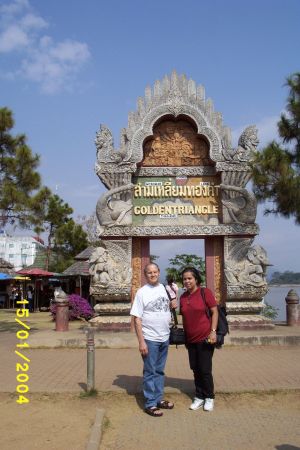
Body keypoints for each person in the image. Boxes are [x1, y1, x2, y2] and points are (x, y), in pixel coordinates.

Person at [130, 262, 177, 417]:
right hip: (149, 338)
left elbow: (170, 307)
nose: (152, 274)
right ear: (145, 275)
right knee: (150, 371)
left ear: (159, 272)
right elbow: (137, 318)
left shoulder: (165, 289)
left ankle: (158, 399)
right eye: (149, 272)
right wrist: (141, 341)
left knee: (159, 371)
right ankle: (150, 403)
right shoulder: (142, 292)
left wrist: (174, 304)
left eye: (155, 271)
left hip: (164, 336)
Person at [180, 267, 218, 412]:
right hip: (190, 339)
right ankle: (199, 396)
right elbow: (184, 317)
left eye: (190, 278)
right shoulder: (183, 297)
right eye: (184, 279)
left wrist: (213, 332)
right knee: (195, 369)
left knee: (205, 369)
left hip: (205, 338)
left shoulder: (205, 293)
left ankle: (209, 397)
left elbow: (214, 312)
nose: (187, 281)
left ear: (196, 279)